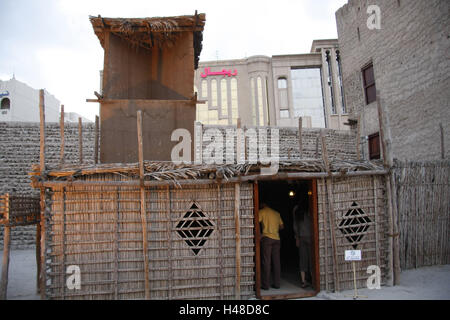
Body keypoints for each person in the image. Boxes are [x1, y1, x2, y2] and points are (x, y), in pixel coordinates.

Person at [259, 202, 284, 290]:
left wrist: (260, 234)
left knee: (266, 262)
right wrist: (274, 228)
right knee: (276, 262)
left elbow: (255, 222)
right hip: (277, 239)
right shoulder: (276, 213)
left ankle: (265, 285)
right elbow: (282, 226)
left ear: (263, 204)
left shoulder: (262, 212)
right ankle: (277, 284)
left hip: (267, 238)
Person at [293, 197, 312, 288]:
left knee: (303, 259)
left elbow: (295, 226)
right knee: (312, 259)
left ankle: (303, 281)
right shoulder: (310, 209)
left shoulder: (297, 211)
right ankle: (313, 279)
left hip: (301, 237)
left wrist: (296, 237)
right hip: (311, 237)